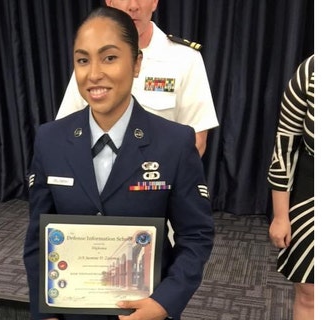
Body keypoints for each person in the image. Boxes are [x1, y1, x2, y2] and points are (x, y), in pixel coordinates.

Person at [23, 6, 214, 320]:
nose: (94, 73)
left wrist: (165, 302)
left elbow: (196, 236)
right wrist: (44, 311)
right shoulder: (50, 140)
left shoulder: (175, 143)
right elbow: (37, 241)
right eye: (83, 60)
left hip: (145, 311)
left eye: (109, 57)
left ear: (136, 63)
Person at [55, 0, 218, 157]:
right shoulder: (92, 61)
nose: (133, 6)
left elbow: (196, 140)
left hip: (158, 180)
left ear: (154, 2)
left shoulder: (185, 58)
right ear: (110, 2)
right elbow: (66, 131)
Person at [267, 54, 314, 320]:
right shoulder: (311, 71)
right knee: (310, 292)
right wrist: (281, 216)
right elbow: (285, 147)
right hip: (312, 193)